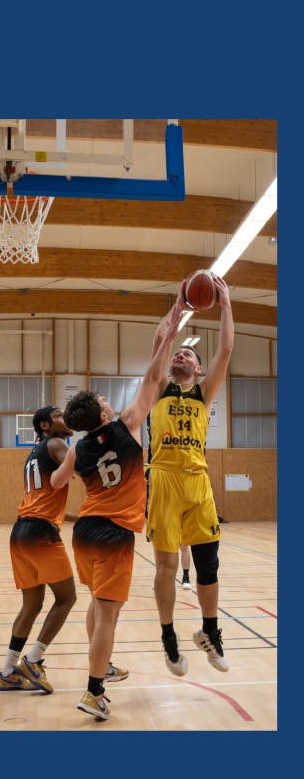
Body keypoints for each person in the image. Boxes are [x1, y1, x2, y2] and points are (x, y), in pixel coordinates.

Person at [52, 298, 184, 719]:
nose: (108, 399)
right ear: (103, 411)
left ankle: (103, 665)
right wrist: (171, 329)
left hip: (84, 532)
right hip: (114, 534)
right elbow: (153, 376)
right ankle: (94, 691)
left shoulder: (78, 447)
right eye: (103, 398)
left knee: (97, 604)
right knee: (108, 615)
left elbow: (57, 482)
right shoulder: (126, 425)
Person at [147, 279, 234, 674]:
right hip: (164, 479)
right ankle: (169, 637)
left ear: (198, 369)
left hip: (198, 482)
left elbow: (226, 349)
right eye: (177, 352)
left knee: (208, 564)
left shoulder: (204, 393)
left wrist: (225, 303)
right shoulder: (160, 388)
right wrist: (178, 308)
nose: (180, 354)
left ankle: (210, 632)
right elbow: (160, 339)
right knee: (166, 567)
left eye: (188, 354)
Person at [0, 406, 81, 693]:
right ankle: (32, 661)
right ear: (45, 425)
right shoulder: (56, 443)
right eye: (58, 416)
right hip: (41, 534)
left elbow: (46, 504)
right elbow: (84, 466)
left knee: (31, 605)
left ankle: (7, 672)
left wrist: (80, 517)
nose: (65, 418)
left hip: (21, 532)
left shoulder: (34, 454)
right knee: (67, 599)